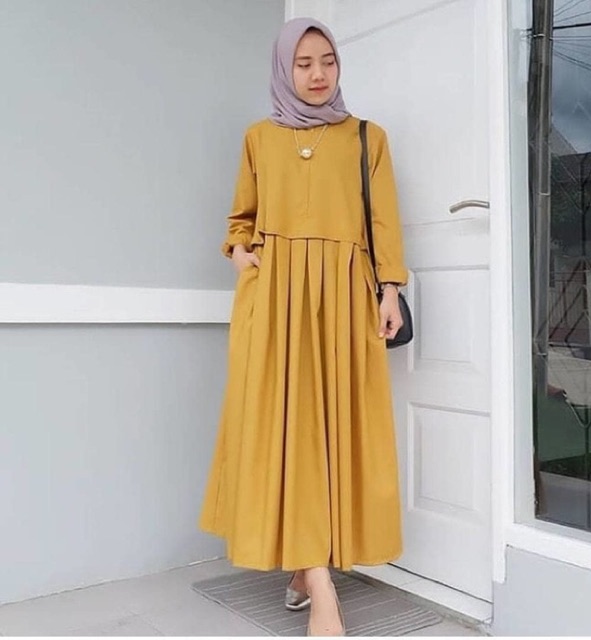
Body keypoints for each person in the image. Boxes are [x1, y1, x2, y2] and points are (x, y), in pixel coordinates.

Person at [199, 16, 408, 636]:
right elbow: (240, 218)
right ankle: (320, 587)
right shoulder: (259, 138)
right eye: (304, 63)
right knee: (283, 432)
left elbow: (385, 223)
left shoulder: (367, 138)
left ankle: (304, 568)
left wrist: (390, 291)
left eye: (328, 61)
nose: (318, 74)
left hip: (344, 297)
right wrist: (241, 254)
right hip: (275, 302)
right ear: (283, 68)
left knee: (333, 432)